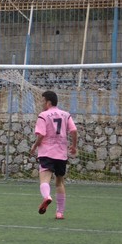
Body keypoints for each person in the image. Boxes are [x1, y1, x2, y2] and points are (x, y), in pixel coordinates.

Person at [30, 90, 78, 220]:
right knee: (59, 183)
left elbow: (41, 134)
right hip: (61, 153)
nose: (41, 103)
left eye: (42, 101)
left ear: (48, 102)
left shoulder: (43, 115)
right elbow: (74, 130)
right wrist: (74, 146)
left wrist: (34, 146)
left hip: (47, 152)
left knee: (44, 180)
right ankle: (60, 213)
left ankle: (47, 197)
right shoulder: (66, 114)